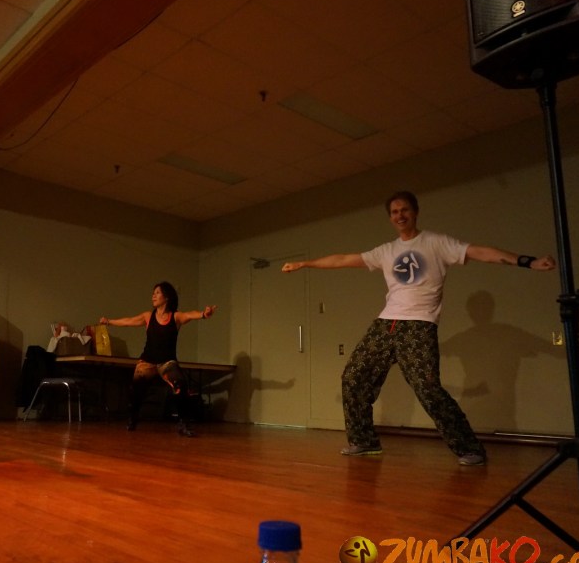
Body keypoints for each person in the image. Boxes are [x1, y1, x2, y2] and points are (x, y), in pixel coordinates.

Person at [282, 191, 555, 465]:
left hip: (419, 325)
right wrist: (305, 263)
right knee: (353, 377)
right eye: (394, 212)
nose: (399, 215)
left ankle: (469, 449)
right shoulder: (386, 251)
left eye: (404, 210)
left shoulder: (436, 243)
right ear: (390, 218)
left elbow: (480, 252)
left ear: (415, 212)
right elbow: (343, 260)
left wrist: (528, 261)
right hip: (386, 323)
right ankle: (363, 441)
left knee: (428, 388)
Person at [100, 282, 217, 437]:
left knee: (180, 385)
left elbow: (190, 314)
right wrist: (109, 322)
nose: (153, 296)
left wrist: (203, 314)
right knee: (135, 390)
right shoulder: (148, 316)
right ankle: (132, 418)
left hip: (167, 363)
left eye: (157, 293)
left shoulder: (175, 317)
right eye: (153, 293)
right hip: (147, 361)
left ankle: (183, 423)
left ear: (166, 297)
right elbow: (129, 321)